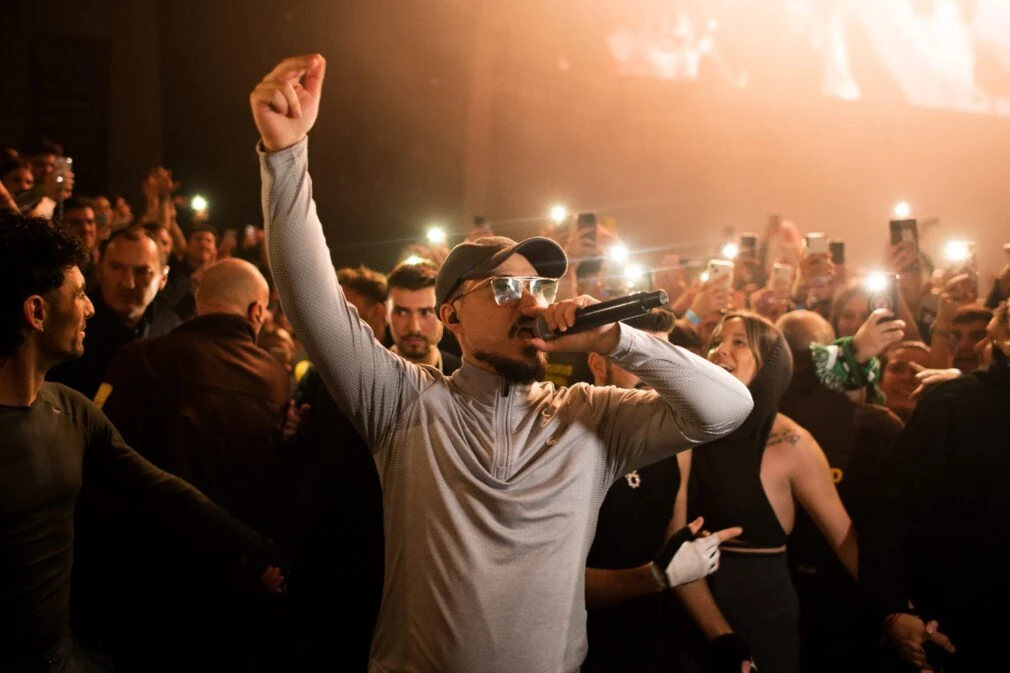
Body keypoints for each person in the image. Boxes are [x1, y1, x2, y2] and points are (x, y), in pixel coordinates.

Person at [252, 53, 753, 673]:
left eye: (539, 288)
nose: (534, 303)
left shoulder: (591, 418)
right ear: (452, 316)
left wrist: (615, 340)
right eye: (506, 288)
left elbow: (728, 408)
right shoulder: (406, 402)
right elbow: (311, 300)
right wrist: (287, 155)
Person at [0, 211, 282, 673]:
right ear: (36, 312)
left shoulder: (73, 410)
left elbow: (161, 487)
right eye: (80, 295)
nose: (90, 307)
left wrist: (256, 547)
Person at [674, 311, 858, 673]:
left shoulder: (789, 442)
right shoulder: (682, 430)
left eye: (738, 341)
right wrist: (720, 635)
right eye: (715, 342)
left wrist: (898, 610)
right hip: (688, 608)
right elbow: (673, 542)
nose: (719, 350)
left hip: (762, 613)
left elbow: (844, 539)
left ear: (769, 364)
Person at [582, 309, 742, 673]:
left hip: (651, 641)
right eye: (636, 358)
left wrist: (724, 637)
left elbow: (675, 558)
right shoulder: (570, 444)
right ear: (597, 364)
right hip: (578, 645)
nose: (652, 374)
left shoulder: (678, 446)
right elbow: (551, 582)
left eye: (660, 360)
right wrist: (653, 576)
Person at [862, 301, 1010, 672]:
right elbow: (893, 507)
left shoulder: (955, 401)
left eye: (986, 339)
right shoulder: (955, 398)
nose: (974, 349)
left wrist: (892, 607)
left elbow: (891, 506)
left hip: (960, 623)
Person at [776, 310, 905, 673]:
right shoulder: (771, 423)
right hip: (793, 585)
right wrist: (853, 350)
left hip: (851, 590)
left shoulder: (879, 429)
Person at [47, 225, 178, 399]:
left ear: (163, 278)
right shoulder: (68, 326)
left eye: (142, 271)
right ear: (99, 269)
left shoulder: (171, 328)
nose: (128, 283)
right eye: (116, 268)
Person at [386, 259, 461, 372]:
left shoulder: (465, 380)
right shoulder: (366, 376)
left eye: (426, 313)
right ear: (387, 313)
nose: (414, 327)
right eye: (402, 312)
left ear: (445, 314)